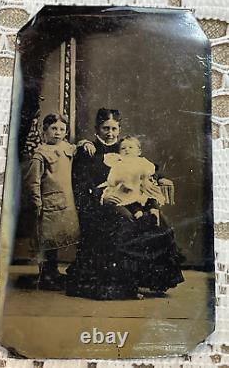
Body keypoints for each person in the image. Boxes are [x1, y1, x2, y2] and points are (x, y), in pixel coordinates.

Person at [66, 108, 184, 300]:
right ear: (97, 128)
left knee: (160, 222)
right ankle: (123, 285)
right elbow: (81, 183)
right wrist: (101, 198)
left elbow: (142, 167)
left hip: (129, 201)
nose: (110, 133)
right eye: (105, 128)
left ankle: (150, 280)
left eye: (113, 128)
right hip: (100, 205)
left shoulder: (124, 148)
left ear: (119, 129)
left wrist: (160, 179)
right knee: (124, 227)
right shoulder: (89, 150)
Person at [25, 113, 80, 290]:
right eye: (53, 129)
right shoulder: (40, 154)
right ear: (45, 130)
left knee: (57, 238)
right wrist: (37, 203)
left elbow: (77, 147)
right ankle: (46, 275)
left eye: (61, 129)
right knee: (47, 240)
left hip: (65, 200)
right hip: (48, 203)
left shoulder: (67, 148)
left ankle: (53, 272)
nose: (57, 133)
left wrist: (85, 142)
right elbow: (33, 181)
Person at [98, 135, 165, 222]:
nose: (127, 150)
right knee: (129, 202)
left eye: (130, 147)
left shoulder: (142, 161)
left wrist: (145, 177)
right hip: (126, 190)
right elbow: (112, 179)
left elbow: (151, 169)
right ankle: (139, 216)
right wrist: (120, 182)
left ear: (139, 151)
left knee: (151, 198)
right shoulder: (118, 164)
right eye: (123, 148)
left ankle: (153, 212)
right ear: (119, 152)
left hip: (141, 190)